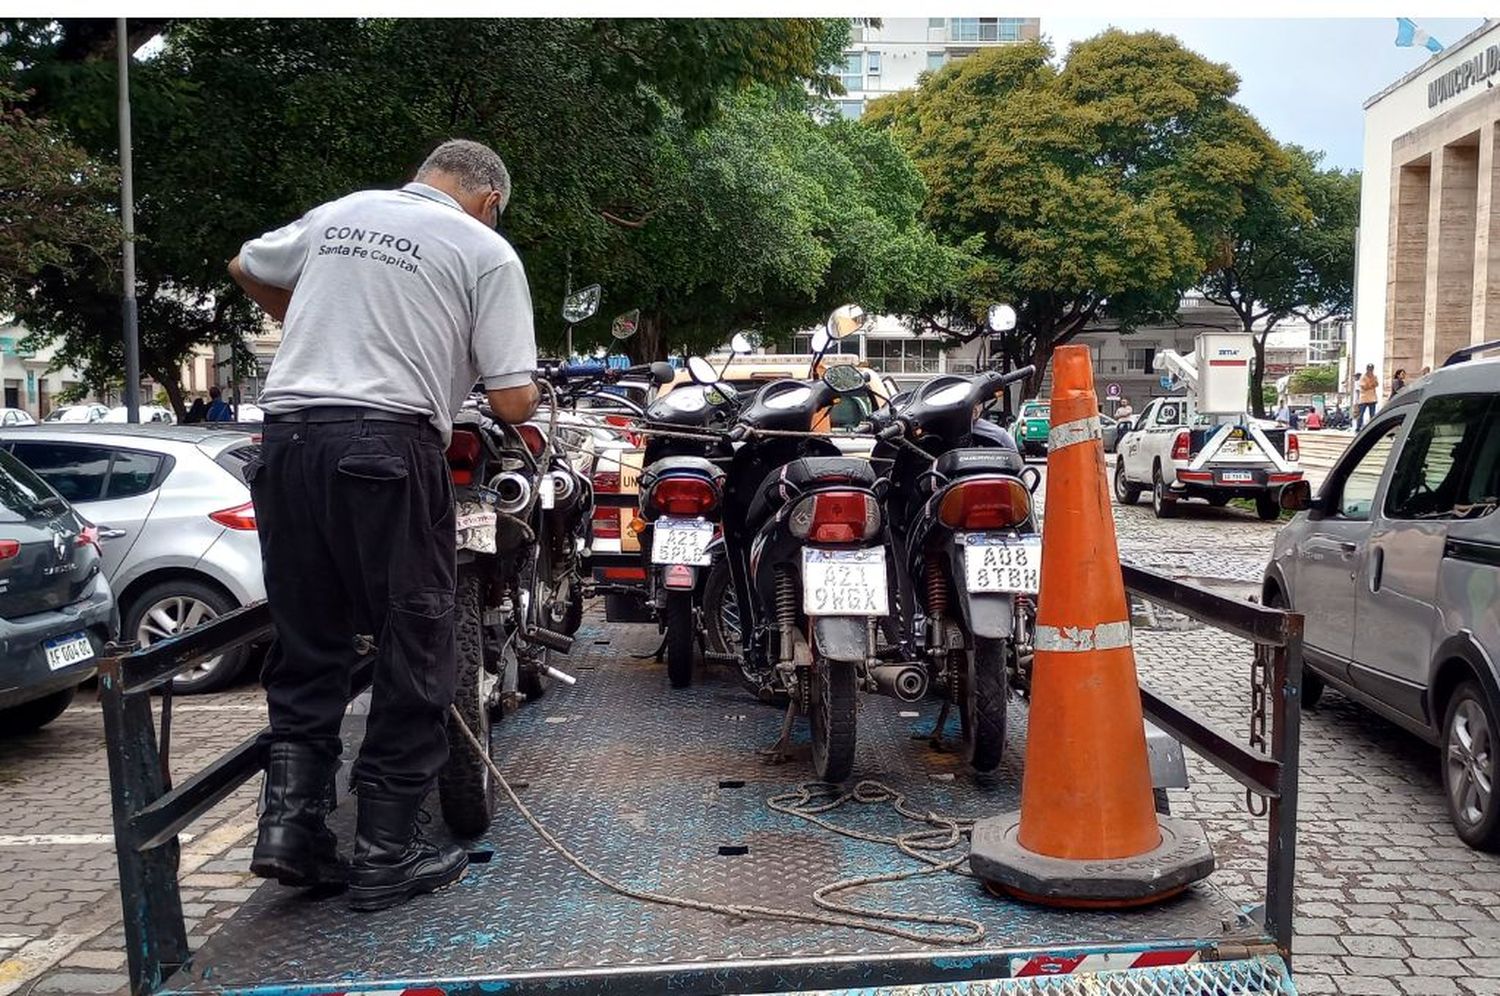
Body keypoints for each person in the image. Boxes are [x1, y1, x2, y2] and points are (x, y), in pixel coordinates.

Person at [228, 139, 539, 912]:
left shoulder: (344, 213)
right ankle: (386, 853)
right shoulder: (485, 249)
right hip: (386, 448)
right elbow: (511, 404)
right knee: (416, 640)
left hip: (287, 441)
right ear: (488, 198)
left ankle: (293, 833)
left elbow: (246, 266)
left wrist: (319, 319)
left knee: (309, 640)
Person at [1357, 364, 1380, 428]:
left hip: (1372, 398)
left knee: (1372, 415)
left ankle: (1372, 427)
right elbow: (1364, 387)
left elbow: (1377, 384)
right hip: (1364, 399)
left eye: (1372, 369)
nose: (1370, 370)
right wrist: (1371, 384)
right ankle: (1358, 427)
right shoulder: (1363, 377)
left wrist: (1371, 383)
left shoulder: (1374, 376)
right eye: (1369, 369)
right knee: (1361, 414)